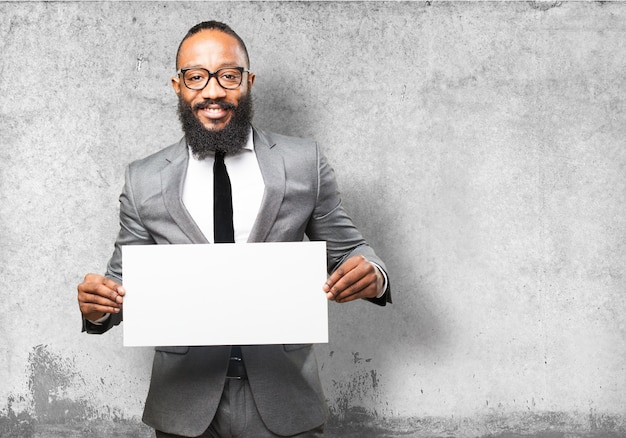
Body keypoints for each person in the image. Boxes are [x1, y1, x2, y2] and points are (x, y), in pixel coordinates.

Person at [77, 20, 391, 438]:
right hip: (183, 404)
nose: (212, 91)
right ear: (178, 86)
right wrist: (98, 307)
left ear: (248, 81)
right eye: (196, 76)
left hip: (284, 398)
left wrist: (374, 274)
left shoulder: (302, 162)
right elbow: (122, 282)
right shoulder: (143, 179)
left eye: (228, 75)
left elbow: (352, 250)